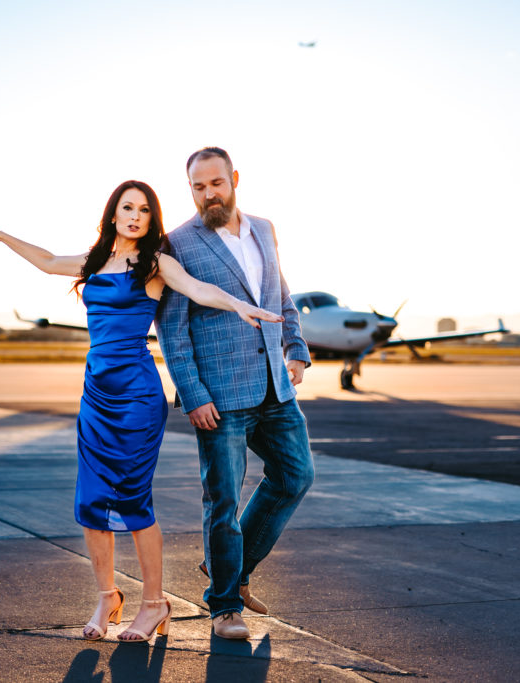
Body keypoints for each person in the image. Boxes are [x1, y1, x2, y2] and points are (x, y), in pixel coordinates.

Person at [0, 179, 282, 643]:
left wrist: (239, 304)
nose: (135, 216)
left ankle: (154, 603)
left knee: (133, 499)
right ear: (113, 214)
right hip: (95, 395)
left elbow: (198, 290)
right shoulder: (94, 262)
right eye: (127, 207)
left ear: (151, 220)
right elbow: (49, 261)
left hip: (137, 396)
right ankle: (107, 596)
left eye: (144, 210)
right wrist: (3, 236)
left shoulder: (155, 263)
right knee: (92, 501)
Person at [154, 148, 315, 640]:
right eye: (198, 187)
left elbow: (279, 294)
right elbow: (172, 331)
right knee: (222, 501)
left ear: (234, 179)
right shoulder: (177, 244)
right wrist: (193, 392)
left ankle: (232, 572)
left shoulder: (264, 228)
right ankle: (224, 606)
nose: (209, 194)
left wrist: (296, 346)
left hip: (275, 386)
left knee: (295, 477)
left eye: (216, 184)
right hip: (219, 397)